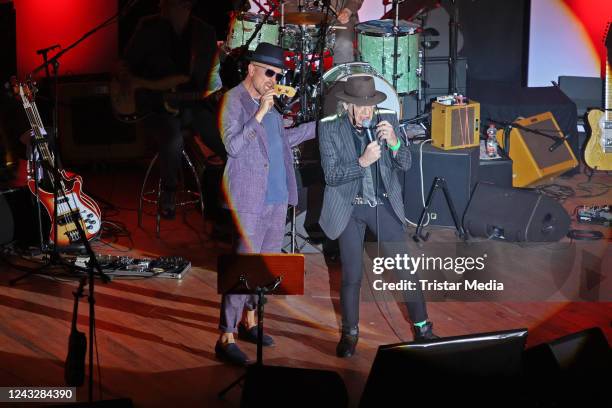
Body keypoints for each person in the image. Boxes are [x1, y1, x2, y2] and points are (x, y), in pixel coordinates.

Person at [318, 76, 438, 358]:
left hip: (381, 205)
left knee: (405, 270)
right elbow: (332, 176)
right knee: (352, 276)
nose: (366, 112)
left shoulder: (388, 120)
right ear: (347, 105)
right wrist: (362, 162)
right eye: (360, 107)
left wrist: (395, 142)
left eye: (369, 106)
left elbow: (405, 163)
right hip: (349, 207)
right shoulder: (329, 128)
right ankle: (350, 334)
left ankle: (422, 329)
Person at [216, 43, 316, 365]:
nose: (274, 79)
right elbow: (232, 145)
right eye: (269, 72)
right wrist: (259, 112)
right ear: (252, 69)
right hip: (249, 198)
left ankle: (251, 321)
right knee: (244, 266)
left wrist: (321, 126)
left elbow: (283, 140)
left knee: (264, 268)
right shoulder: (234, 100)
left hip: (276, 198)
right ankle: (225, 336)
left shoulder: (270, 105)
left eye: (279, 74)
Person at [122, 0, 225, 219]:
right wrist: (138, 85)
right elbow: (126, 65)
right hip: (155, 106)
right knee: (173, 138)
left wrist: (212, 93)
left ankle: (228, 195)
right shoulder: (148, 26)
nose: (162, 6)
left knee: (223, 139)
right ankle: (168, 194)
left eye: (170, 3)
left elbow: (207, 81)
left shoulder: (204, 33)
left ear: (185, 6)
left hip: (192, 105)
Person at [284, 0, 363, 65]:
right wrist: (293, 15)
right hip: (303, 15)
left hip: (338, 17)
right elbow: (289, 3)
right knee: (285, 37)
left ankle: (342, 78)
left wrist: (347, 11)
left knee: (343, 43)